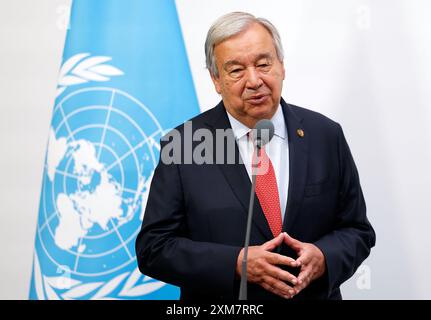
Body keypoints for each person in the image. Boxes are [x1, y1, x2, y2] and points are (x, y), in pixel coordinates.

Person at [135, 11, 375, 300]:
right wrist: (236, 263)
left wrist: (325, 256)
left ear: (282, 66)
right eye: (236, 70)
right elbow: (154, 248)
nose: (254, 80)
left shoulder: (325, 135)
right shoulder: (184, 144)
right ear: (216, 79)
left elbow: (357, 230)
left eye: (264, 64)